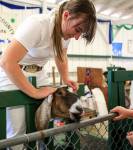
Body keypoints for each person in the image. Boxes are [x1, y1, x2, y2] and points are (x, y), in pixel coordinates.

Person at [0, 0, 97, 149]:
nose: (77, 37)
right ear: (66, 15)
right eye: (77, 29)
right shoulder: (37, 25)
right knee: (17, 130)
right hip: (13, 74)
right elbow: (7, 61)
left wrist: (65, 78)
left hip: (39, 74)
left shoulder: (65, 33)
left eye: (81, 33)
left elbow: (61, 55)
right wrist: (35, 92)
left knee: (42, 122)